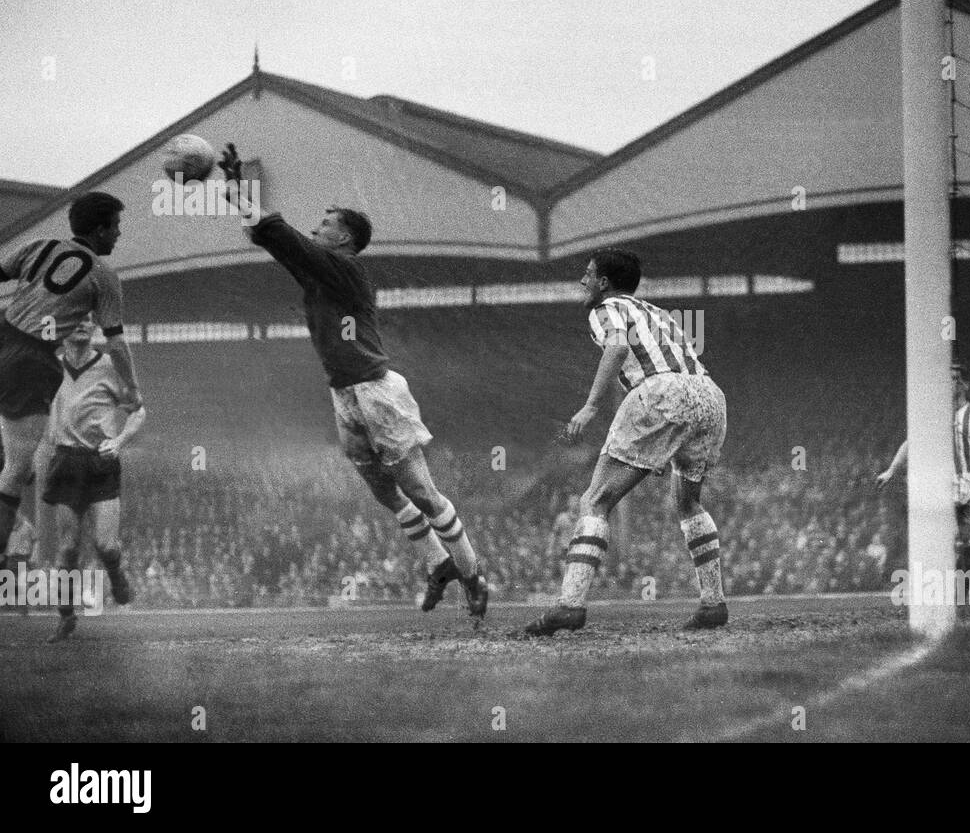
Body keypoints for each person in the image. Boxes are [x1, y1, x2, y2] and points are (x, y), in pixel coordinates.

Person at [219, 146, 486, 618]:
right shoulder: (321, 274)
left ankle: (471, 572)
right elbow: (271, 240)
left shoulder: (344, 270)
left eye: (324, 223)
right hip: (344, 391)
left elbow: (281, 235)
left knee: (422, 492)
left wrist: (250, 196)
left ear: (343, 237)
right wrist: (239, 193)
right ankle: (438, 564)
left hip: (377, 392)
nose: (316, 227)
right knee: (383, 490)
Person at [525, 248, 728, 635]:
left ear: (603, 282)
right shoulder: (659, 313)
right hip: (709, 396)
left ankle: (570, 606)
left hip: (661, 393)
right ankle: (713, 603)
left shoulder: (604, 310)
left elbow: (618, 347)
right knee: (688, 501)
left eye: (587, 275)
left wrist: (589, 407)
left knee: (595, 499)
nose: (582, 281)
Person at [0, 193, 142, 574]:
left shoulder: (39, 245)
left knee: (17, 465)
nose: (118, 235)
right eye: (115, 226)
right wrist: (134, 387)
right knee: (16, 470)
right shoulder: (103, 276)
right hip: (31, 357)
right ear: (99, 230)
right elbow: (116, 341)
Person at [45, 315, 146, 641]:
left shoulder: (109, 366)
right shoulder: (50, 367)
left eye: (88, 320)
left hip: (100, 461)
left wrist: (119, 441)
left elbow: (138, 409)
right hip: (65, 461)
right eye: (75, 319)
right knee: (68, 549)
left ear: (94, 329)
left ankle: (117, 576)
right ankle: (65, 616)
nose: (82, 324)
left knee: (105, 544)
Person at [876, 363, 970, 571]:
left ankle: (963, 584)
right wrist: (891, 470)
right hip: (946, 484)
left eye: (954, 379)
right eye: (947, 379)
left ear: (964, 385)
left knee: (966, 545)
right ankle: (945, 585)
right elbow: (912, 441)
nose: (949, 384)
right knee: (947, 541)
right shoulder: (936, 414)